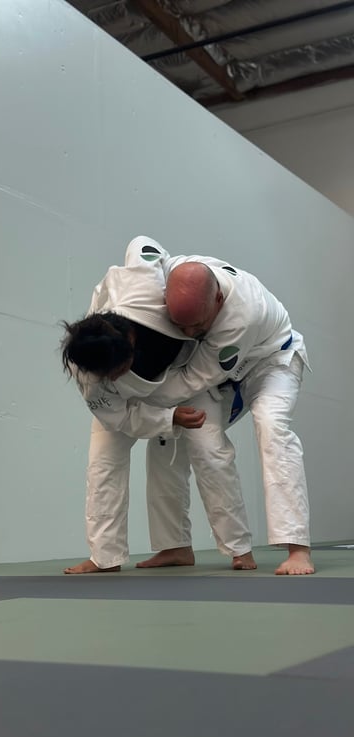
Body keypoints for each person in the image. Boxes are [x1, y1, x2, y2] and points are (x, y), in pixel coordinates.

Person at [61, 236, 256, 574]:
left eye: (116, 370)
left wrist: (174, 277)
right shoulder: (90, 376)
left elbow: (141, 243)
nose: (111, 377)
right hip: (130, 408)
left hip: (183, 377)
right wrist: (169, 418)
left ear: (131, 343)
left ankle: (239, 548)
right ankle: (106, 557)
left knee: (210, 451)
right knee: (103, 463)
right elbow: (121, 417)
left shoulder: (140, 290)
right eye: (106, 375)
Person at [155, 254, 314, 575]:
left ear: (218, 298)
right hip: (221, 373)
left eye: (197, 325)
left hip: (272, 361)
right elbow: (144, 253)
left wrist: (135, 402)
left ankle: (298, 548)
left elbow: (191, 379)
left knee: (271, 425)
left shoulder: (242, 315)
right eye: (181, 325)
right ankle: (176, 545)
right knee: (172, 434)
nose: (189, 331)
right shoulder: (174, 270)